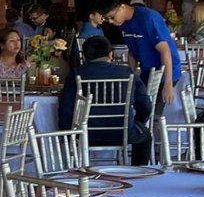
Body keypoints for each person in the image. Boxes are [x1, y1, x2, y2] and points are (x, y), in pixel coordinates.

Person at [60, 36, 153, 166]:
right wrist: (138, 122)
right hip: (122, 132)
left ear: (85, 57)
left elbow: (66, 109)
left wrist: (68, 134)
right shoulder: (127, 73)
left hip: (86, 134)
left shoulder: (76, 74)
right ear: (111, 54)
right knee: (146, 136)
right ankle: (139, 172)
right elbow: (145, 104)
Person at [99, 0, 180, 110]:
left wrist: (168, 84)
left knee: (152, 112)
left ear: (122, 7)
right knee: (139, 107)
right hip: (147, 71)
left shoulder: (148, 18)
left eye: (112, 17)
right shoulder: (121, 24)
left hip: (167, 70)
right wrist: (131, 76)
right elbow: (132, 51)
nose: (110, 21)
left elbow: (165, 50)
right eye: (107, 19)